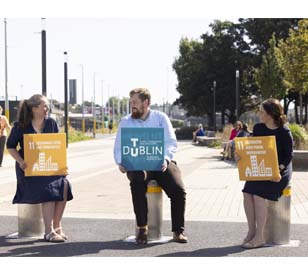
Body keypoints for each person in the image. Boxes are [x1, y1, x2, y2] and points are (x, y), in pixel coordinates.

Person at [114, 88, 187, 244]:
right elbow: (119, 147)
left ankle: (177, 231)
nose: (131, 105)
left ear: (146, 102)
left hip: (161, 163)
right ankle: (142, 228)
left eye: (135, 102)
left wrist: (166, 159)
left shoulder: (161, 118)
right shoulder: (126, 121)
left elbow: (171, 142)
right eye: (130, 102)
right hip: (138, 165)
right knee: (137, 180)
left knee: (178, 189)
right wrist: (121, 162)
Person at [6, 94, 73, 243]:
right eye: (44, 106)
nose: (47, 108)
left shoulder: (51, 123)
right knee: (48, 187)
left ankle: (57, 227)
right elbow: (10, 146)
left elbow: (56, 147)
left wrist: (62, 167)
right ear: (34, 108)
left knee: (65, 185)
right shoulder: (20, 125)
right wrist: (21, 161)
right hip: (29, 170)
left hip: (48, 167)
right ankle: (48, 231)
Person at [237, 98, 293, 249]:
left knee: (258, 195)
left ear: (270, 114)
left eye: (262, 111)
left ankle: (260, 236)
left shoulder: (284, 131)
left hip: (280, 170)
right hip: (261, 168)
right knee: (247, 193)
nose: (259, 114)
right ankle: (252, 231)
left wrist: (277, 170)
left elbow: (288, 156)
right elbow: (254, 148)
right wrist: (241, 155)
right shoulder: (259, 128)